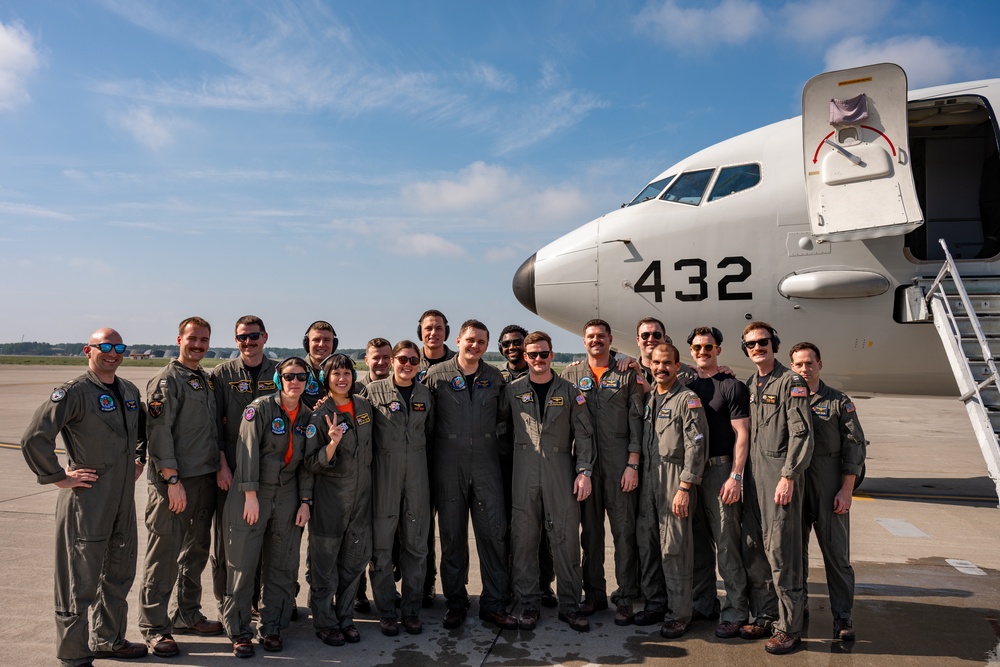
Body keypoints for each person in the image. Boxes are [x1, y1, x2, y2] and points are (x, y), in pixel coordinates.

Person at [21, 328, 149, 667]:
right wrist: (60, 477)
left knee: (119, 572)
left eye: (118, 347)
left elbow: (143, 429)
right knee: (79, 579)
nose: (113, 353)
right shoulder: (74, 393)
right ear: (87, 350)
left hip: (122, 498)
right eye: (104, 346)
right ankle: (75, 654)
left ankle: (108, 639)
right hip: (86, 500)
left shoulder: (128, 390)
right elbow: (35, 437)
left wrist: (139, 459)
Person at [424, 320, 517, 631]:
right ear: (459, 341)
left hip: (487, 464)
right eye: (470, 340)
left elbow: (505, 422)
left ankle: (493, 603)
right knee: (452, 537)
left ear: (486, 346)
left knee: (493, 535)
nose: (474, 345)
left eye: (481, 341)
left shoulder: (495, 377)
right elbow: (426, 421)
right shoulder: (437, 375)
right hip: (448, 465)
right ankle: (456, 602)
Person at [139, 317, 223, 658]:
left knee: (196, 551)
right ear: (179, 339)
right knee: (164, 555)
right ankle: (154, 627)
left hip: (204, 478)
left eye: (204, 340)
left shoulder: (204, 379)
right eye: (193, 338)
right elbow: (158, 434)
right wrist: (171, 480)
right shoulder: (166, 380)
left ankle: (187, 613)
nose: (199, 345)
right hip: (174, 483)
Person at [222, 357, 313, 657]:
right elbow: (246, 451)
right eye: (289, 377)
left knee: (282, 565)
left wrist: (305, 501)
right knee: (243, 565)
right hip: (253, 493)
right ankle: (239, 631)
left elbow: (306, 466)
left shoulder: (307, 417)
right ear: (279, 379)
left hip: (288, 495)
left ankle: (272, 627)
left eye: (301, 377)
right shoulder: (259, 409)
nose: (295, 382)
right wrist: (249, 494)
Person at [505, 331, 595, 632]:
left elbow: (584, 435)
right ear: (525, 357)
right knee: (524, 540)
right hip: (523, 469)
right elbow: (500, 431)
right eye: (533, 355)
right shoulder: (512, 391)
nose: (539, 359)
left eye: (544, 354)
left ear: (552, 356)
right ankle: (529, 605)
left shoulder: (569, 391)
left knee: (566, 539)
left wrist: (584, 471)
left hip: (560, 469)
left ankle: (569, 605)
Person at [561, 319, 643, 624]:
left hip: (619, 462)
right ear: (584, 341)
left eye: (601, 336)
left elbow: (637, 420)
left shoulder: (626, 373)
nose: (596, 341)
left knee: (624, 532)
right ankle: (594, 595)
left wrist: (633, 463)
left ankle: (625, 597)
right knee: (591, 533)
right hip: (585, 465)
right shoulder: (571, 375)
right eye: (590, 337)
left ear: (611, 339)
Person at [741, 322, 814, 654]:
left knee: (783, 555)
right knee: (755, 550)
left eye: (763, 342)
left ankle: (789, 628)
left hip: (778, 479)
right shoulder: (751, 384)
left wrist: (789, 476)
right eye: (751, 344)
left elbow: (801, 434)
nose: (758, 347)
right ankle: (767, 615)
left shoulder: (791, 382)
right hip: (754, 479)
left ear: (775, 344)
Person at [789, 342, 866, 642]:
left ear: (820, 364)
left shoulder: (837, 401)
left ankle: (842, 617)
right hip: (796, 484)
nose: (804, 369)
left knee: (836, 556)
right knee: (795, 554)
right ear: (791, 366)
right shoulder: (788, 398)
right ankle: (799, 606)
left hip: (829, 485)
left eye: (809, 363)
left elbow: (855, 447)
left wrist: (847, 491)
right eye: (798, 364)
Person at [635, 342, 708, 639]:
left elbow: (697, 444)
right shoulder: (651, 398)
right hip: (650, 478)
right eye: (656, 362)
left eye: (667, 363)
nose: (661, 368)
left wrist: (685, 487)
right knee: (648, 542)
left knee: (674, 547)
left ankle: (679, 614)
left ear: (678, 366)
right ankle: (656, 603)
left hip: (674, 478)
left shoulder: (687, 399)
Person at [683, 327, 751, 638]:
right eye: (697, 347)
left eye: (708, 347)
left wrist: (735, 475)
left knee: (726, 544)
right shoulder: (686, 385)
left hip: (720, 471)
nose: (703, 352)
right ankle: (704, 602)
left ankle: (735, 610)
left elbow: (742, 435)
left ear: (718, 350)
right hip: (691, 473)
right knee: (697, 545)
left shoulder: (731, 386)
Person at [364, 341, 435, 636]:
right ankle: (387, 611)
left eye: (413, 360)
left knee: (417, 546)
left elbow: (429, 432)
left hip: (417, 475)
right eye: (402, 359)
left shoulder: (425, 394)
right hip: (384, 474)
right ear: (393, 360)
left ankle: (411, 610)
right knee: (381, 547)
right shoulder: (372, 392)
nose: (408, 365)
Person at [209, 316, 278, 617]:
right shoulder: (222, 374)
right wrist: (222, 466)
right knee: (228, 541)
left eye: (254, 336)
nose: (248, 343)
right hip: (233, 470)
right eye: (242, 338)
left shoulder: (280, 372)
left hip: (270, 469)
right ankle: (228, 600)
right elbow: (214, 424)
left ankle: (258, 601)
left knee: (264, 539)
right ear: (235, 341)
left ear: (265, 337)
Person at [304, 354, 374, 646]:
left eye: (346, 373)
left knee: (352, 564)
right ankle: (324, 622)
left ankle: (345, 618)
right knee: (324, 566)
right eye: (336, 374)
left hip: (360, 500)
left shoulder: (363, 406)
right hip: (330, 501)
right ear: (326, 379)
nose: (342, 378)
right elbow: (311, 462)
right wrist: (332, 443)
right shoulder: (319, 416)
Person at [497, 325, 557, 609]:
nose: (511, 348)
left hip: (540, 465)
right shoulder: (500, 381)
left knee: (543, 531)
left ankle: (543, 585)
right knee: (515, 531)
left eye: (516, 343)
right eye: (506, 344)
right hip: (510, 467)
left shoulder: (539, 373)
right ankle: (515, 584)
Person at [415, 309, 454, 606]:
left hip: (451, 455)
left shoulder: (458, 363)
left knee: (453, 528)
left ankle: (456, 586)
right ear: (421, 331)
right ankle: (424, 585)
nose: (433, 333)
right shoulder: (410, 362)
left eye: (438, 328)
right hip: (420, 457)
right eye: (428, 328)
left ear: (446, 331)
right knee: (422, 529)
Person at [301, 321, 338, 410]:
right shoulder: (296, 372)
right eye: (316, 340)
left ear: (334, 343)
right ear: (307, 343)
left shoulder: (343, 372)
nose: (321, 344)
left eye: (327, 340)